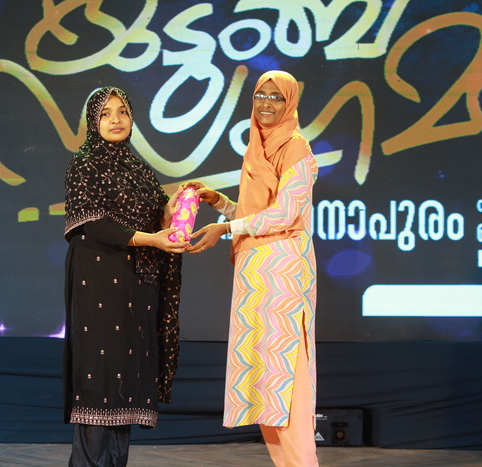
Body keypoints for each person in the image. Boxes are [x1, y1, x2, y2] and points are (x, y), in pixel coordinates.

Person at [186, 70, 319, 467]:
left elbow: (286, 213)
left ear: (290, 103)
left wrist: (226, 228)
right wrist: (220, 203)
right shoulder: (256, 147)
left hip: (282, 273)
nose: (266, 103)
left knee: (286, 379)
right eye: (261, 95)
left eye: (276, 97)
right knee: (264, 384)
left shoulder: (296, 147)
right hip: (253, 274)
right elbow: (255, 214)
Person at [62, 86, 188, 467]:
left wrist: (171, 211)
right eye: (105, 113)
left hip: (137, 287)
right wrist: (153, 239)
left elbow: (155, 220)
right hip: (99, 281)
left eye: (122, 112)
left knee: (124, 386)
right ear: (93, 121)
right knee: (99, 381)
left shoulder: (140, 170)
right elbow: (95, 224)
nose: (115, 120)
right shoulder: (84, 164)